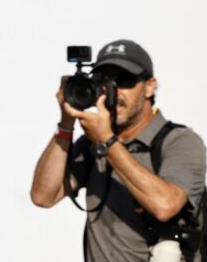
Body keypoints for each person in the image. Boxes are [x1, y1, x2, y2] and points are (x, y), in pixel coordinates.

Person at [30, 39, 206, 261]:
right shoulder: (93, 142)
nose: (114, 91)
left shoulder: (180, 141)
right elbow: (43, 196)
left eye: (125, 80)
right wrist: (66, 124)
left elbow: (165, 205)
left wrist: (107, 141)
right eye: (105, 80)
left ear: (150, 86)